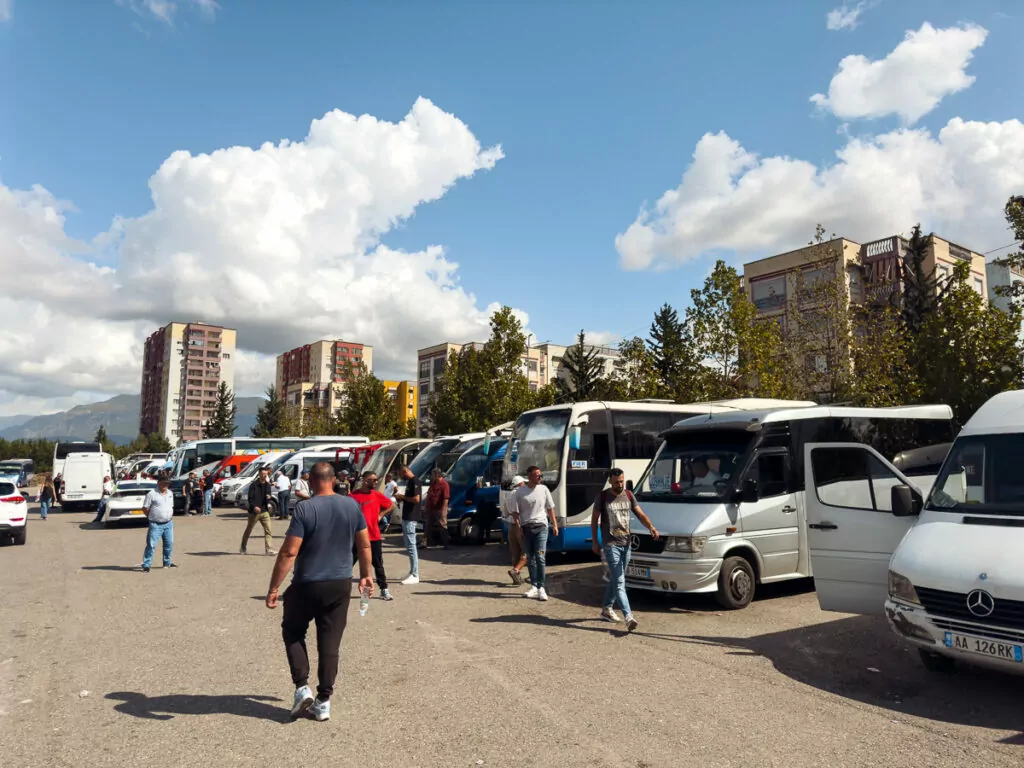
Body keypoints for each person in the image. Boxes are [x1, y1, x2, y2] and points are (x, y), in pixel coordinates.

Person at [265, 462, 372, 723]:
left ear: (311, 481)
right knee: (330, 642)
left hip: (307, 582)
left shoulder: (305, 508)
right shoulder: (351, 506)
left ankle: (302, 687)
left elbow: (290, 552)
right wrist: (366, 575)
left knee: (292, 631)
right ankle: (324, 701)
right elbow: (365, 545)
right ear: (334, 480)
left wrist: (274, 587)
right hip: (340, 583)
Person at [591, 468, 660, 632]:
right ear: (610, 481)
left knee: (617, 578)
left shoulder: (629, 495)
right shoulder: (602, 497)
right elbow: (594, 521)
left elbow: (640, 514)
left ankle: (606, 608)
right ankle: (628, 616)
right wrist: (595, 542)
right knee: (620, 581)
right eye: (616, 482)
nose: (619, 485)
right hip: (611, 544)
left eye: (621, 481)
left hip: (626, 544)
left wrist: (651, 527)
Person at [513, 465, 558, 601]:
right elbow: (515, 512)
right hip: (527, 528)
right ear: (530, 477)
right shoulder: (520, 492)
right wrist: (519, 527)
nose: (540, 477)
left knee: (540, 557)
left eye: (540, 475)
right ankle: (534, 586)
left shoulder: (544, 489)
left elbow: (550, 509)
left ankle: (542, 587)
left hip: (542, 527)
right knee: (530, 559)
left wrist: (555, 525)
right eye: (537, 475)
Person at [350, 471, 397, 600]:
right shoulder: (353, 496)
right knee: (348, 564)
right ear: (365, 480)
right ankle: (341, 590)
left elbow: (392, 505)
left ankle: (384, 589)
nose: (376, 482)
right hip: (357, 537)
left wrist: (381, 515)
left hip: (373, 536)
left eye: (377, 480)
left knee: (377, 564)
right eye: (373, 480)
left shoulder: (377, 495)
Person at [140, 477, 176, 572]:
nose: (166, 486)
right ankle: (146, 564)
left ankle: (167, 562)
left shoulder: (170, 493)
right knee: (151, 545)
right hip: (155, 524)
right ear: (158, 483)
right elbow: (145, 508)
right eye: (164, 483)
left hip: (168, 523)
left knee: (169, 544)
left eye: (167, 484)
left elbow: (170, 506)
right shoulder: (151, 494)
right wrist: (151, 517)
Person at [394, 465, 421, 585]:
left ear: (405, 471)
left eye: (401, 474)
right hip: (407, 516)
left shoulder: (415, 481)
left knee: (411, 545)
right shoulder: (410, 482)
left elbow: (416, 499)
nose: (401, 477)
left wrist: (402, 497)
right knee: (408, 544)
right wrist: (401, 498)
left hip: (411, 517)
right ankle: (412, 572)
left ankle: (415, 574)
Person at [241, 466, 277, 556]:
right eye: (262, 474)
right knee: (248, 530)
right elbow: (250, 498)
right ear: (259, 474)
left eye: (265, 474)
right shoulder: (253, 485)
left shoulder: (268, 485)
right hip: (254, 512)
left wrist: (268, 498)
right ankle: (243, 547)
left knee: (268, 530)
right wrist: (254, 507)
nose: (264, 475)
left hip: (264, 511)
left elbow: (268, 497)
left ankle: (268, 549)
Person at [501, 475, 528, 585]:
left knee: (515, 552)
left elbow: (505, 511)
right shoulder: (523, 494)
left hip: (511, 526)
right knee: (527, 551)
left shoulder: (509, 494)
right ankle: (515, 571)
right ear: (521, 483)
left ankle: (516, 578)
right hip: (521, 525)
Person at [423, 467, 451, 549]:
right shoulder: (433, 483)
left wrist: (443, 510)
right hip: (431, 509)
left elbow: (446, 498)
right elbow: (429, 495)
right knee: (428, 526)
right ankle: (425, 542)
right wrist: (426, 506)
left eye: (432, 474)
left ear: (436, 475)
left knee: (442, 526)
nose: (431, 476)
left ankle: (446, 544)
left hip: (439, 509)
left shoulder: (444, 484)